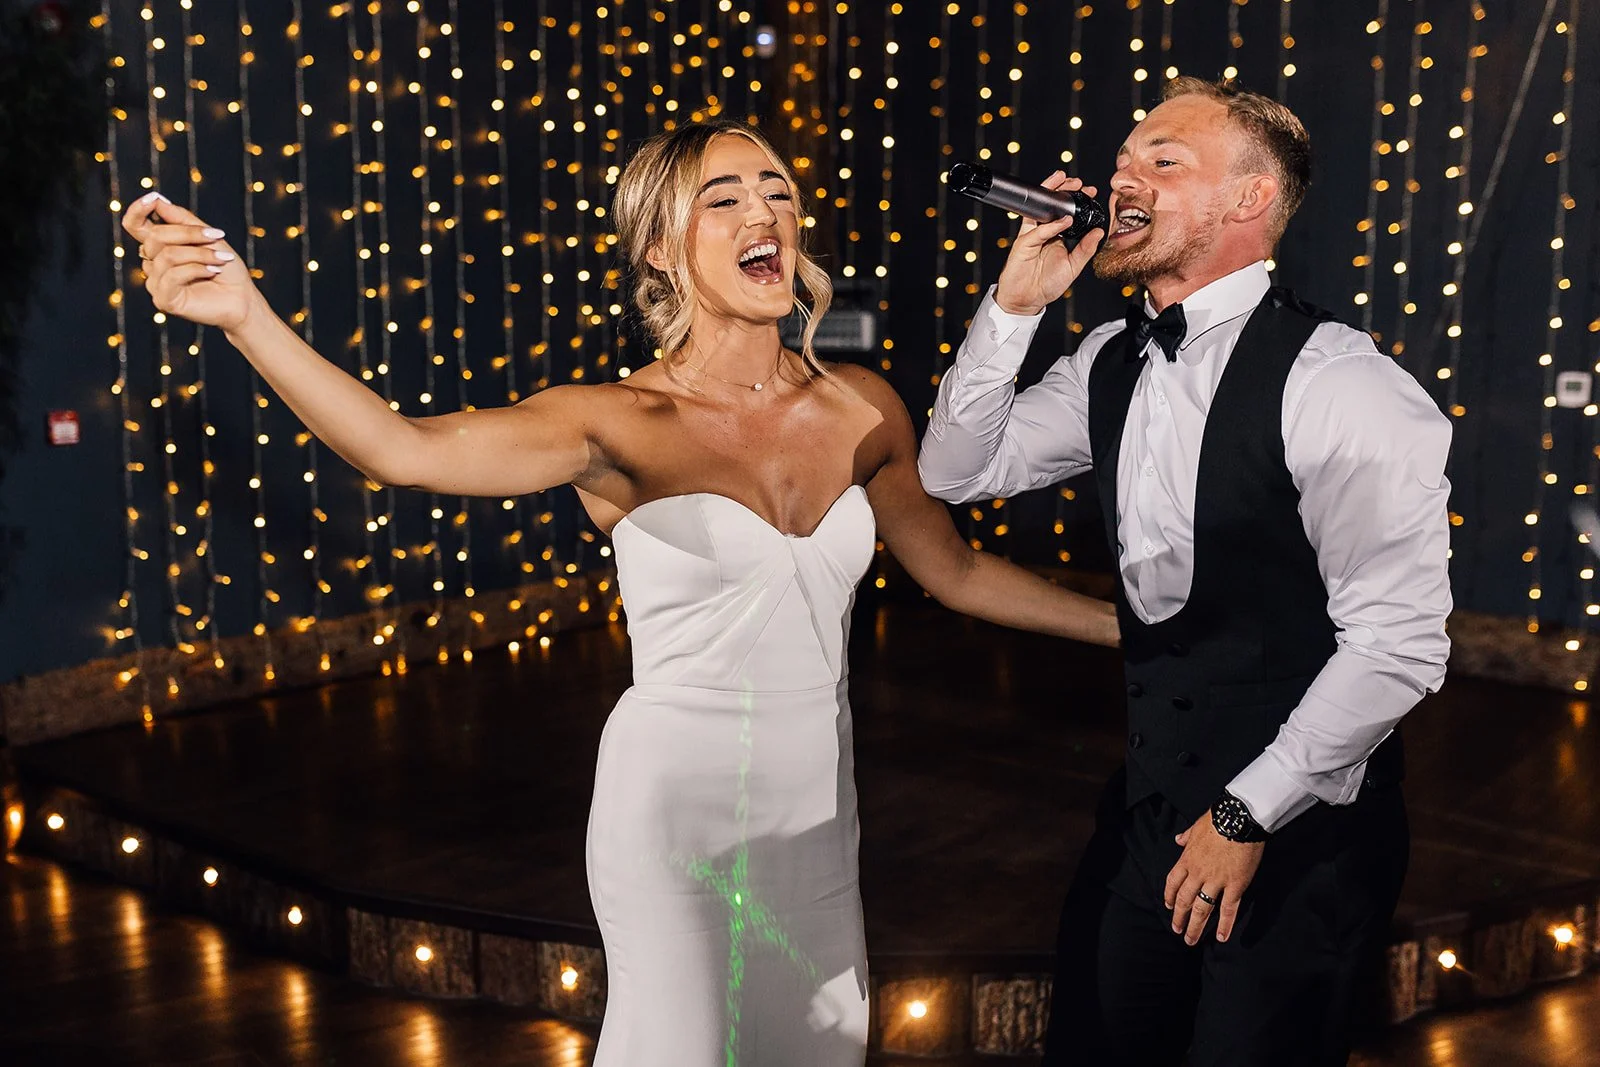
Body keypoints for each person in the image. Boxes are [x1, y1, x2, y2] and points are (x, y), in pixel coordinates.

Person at [123, 118, 1119, 1066]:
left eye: (775, 190)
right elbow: (401, 448)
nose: (762, 213)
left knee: (820, 1043)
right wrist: (245, 316)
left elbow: (954, 571)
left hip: (817, 809)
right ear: (657, 250)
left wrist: (1144, 629)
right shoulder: (615, 420)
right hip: (674, 810)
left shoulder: (864, 405)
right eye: (721, 199)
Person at [918, 78, 1452, 1066]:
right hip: (1149, 804)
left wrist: (1248, 810)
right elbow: (957, 468)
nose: (1124, 176)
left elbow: (1399, 642)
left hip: (1302, 833)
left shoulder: (1342, 383)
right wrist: (1011, 306)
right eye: (1124, 160)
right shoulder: (1109, 355)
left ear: (1248, 201)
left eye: (1164, 160)